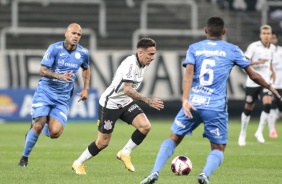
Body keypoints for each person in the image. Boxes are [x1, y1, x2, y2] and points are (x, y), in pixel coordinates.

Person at [140, 17, 282, 184]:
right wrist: (271, 87)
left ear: (205, 30)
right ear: (224, 32)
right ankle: (204, 175)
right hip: (215, 107)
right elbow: (253, 75)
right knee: (218, 148)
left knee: (174, 137)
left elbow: (188, 74)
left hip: (193, 104)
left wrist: (185, 99)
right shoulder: (232, 49)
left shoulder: (195, 48)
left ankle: (154, 172)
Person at [71, 38, 164, 175]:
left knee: (145, 126)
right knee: (103, 142)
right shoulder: (130, 64)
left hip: (125, 102)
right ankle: (78, 163)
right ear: (140, 53)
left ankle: (125, 153)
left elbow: (127, 93)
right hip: (110, 104)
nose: (153, 58)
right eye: (150, 54)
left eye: (154, 54)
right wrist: (148, 101)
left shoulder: (142, 64)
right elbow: (127, 90)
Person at [18, 23, 91, 167]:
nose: (76, 36)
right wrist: (60, 76)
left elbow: (86, 68)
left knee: (55, 133)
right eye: (73, 33)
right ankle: (24, 158)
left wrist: (86, 89)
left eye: (78, 34)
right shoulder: (54, 49)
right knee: (38, 126)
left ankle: (36, 126)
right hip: (45, 92)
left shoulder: (83, 53)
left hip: (62, 98)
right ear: (66, 33)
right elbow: (42, 70)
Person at [238, 25, 276, 146]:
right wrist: (257, 62)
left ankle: (259, 131)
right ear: (260, 35)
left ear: (271, 35)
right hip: (252, 82)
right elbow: (244, 62)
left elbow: (269, 62)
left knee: (268, 103)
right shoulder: (253, 47)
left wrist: (273, 71)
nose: (266, 35)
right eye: (264, 33)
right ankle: (242, 133)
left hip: (265, 83)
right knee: (248, 108)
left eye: (268, 33)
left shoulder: (272, 48)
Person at [267, 31, 282, 138]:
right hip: (272, 84)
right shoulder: (265, 52)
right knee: (272, 107)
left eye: (274, 38)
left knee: (279, 109)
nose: (273, 40)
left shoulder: (281, 50)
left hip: (281, 83)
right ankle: (272, 130)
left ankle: (272, 125)